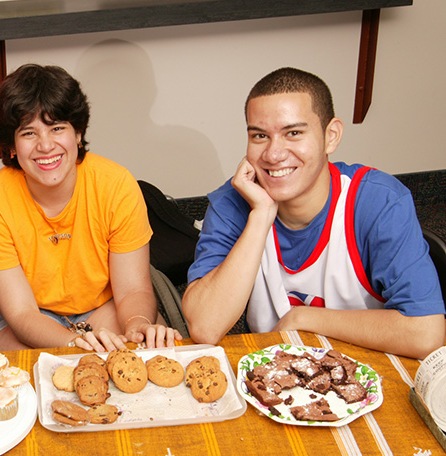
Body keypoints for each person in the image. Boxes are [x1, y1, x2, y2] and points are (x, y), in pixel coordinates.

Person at [183, 67, 445, 360]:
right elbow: (205, 327)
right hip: (276, 384)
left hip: (371, 375)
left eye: (293, 133)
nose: (273, 154)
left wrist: (305, 319)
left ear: (330, 137)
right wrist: (261, 216)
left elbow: (426, 333)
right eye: (259, 136)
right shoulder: (233, 203)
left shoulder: (378, 201)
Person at [0, 64, 182, 353]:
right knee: (29, 373)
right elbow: (21, 314)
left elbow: (132, 290)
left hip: (102, 308)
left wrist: (137, 323)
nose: (45, 145)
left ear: (78, 133)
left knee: (138, 350)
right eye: (29, 133)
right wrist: (75, 343)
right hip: (19, 317)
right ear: (11, 145)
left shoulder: (116, 184)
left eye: (57, 128)